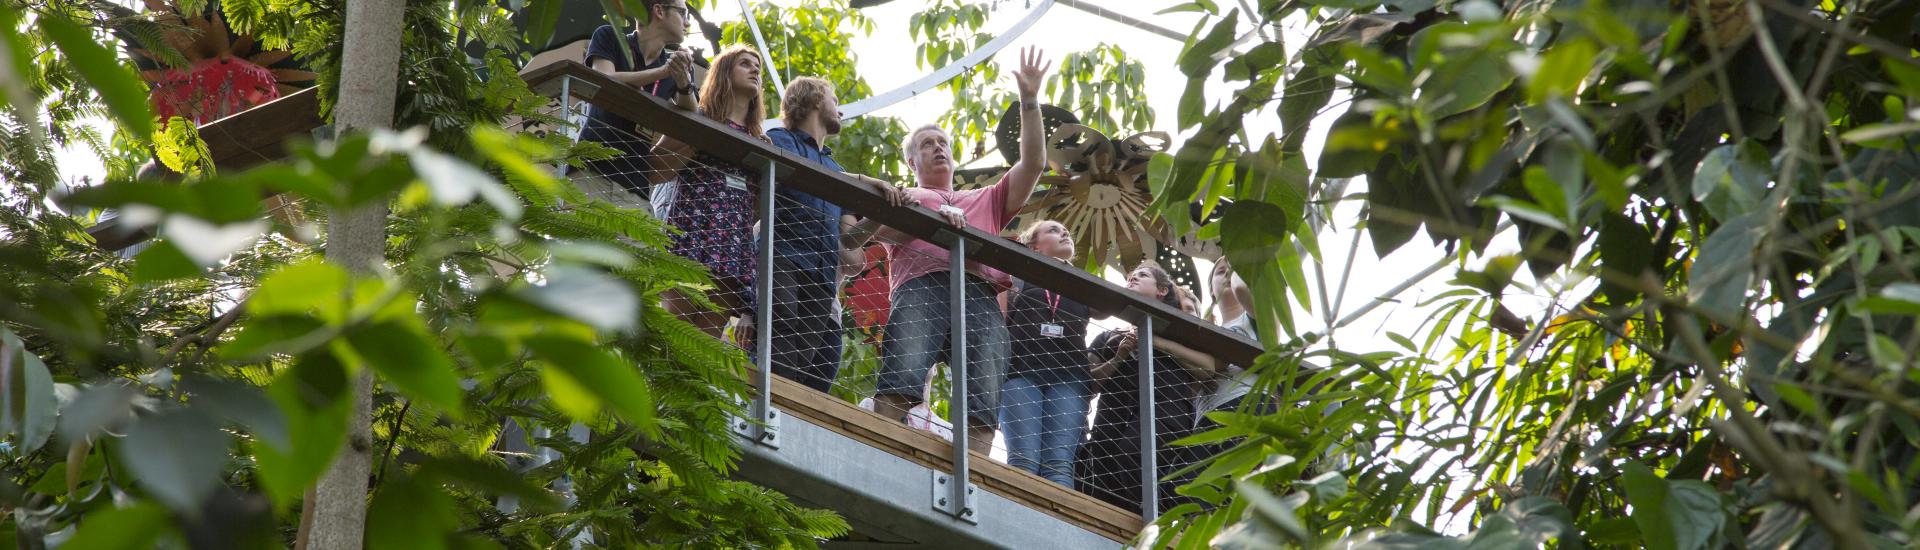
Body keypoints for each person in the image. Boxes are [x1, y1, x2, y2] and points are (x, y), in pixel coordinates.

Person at [869, 46, 1053, 455]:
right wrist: (895, 206)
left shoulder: (985, 200)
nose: (938, 148)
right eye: (927, 144)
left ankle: (974, 484)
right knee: (902, 376)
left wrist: (1029, 100)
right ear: (913, 161)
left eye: (943, 142)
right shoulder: (907, 196)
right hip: (922, 286)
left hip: (980, 295)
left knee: (983, 400)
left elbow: (1035, 163)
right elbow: (860, 233)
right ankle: (875, 451)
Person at [761, 76, 909, 392]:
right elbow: (796, 168)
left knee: (806, 352)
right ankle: (765, 404)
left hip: (822, 267)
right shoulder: (781, 138)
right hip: (783, 253)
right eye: (835, 100)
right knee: (780, 331)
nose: (840, 111)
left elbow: (850, 240)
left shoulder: (833, 164)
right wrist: (867, 179)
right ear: (815, 100)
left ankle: (789, 413)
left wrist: (880, 208)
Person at [648, 45, 766, 344]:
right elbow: (656, 166)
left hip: (732, 240)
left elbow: (757, 207)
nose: (755, 70)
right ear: (725, 73)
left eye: (758, 67)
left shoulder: (759, 139)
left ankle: (694, 391)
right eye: (745, 64)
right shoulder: (699, 116)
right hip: (693, 228)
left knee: (707, 341)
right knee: (675, 329)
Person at [1076, 263, 1205, 514]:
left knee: (1133, 456)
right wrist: (1119, 356)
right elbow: (1088, 384)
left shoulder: (1179, 330)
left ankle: (1154, 520)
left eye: (1142, 275)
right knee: (1102, 465)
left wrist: (1156, 341)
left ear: (1162, 290)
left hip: (1165, 413)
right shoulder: (1109, 336)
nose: (1133, 278)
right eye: (1131, 277)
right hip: (1113, 416)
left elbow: (1206, 371)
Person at [996, 220, 1093, 486]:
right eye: (1053, 230)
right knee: (1024, 460)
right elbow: (1000, 319)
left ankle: (1059, 525)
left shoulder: (1085, 285)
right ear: (1034, 247)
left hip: (1069, 379)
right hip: (1020, 372)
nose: (1065, 232)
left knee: (1059, 464)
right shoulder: (1014, 278)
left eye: (1066, 230)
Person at [577, 0, 702, 201]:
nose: (687, 23)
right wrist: (662, 72)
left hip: (636, 185)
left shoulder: (676, 66)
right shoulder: (610, 36)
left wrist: (683, 81)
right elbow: (604, 78)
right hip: (590, 171)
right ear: (659, 10)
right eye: (683, 13)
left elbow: (692, 113)